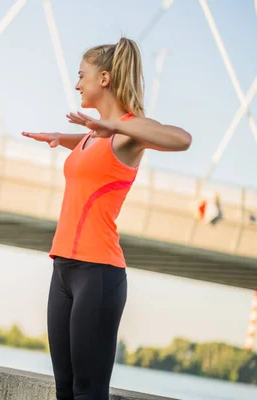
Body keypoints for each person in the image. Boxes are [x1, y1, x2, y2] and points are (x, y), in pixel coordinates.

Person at [22, 37, 192, 400]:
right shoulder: (94, 135)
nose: (76, 83)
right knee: (65, 390)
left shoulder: (129, 131)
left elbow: (182, 139)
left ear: (104, 78)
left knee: (89, 391)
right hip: (63, 269)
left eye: (81, 75)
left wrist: (118, 127)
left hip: (98, 273)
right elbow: (96, 155)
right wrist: (61, 137)